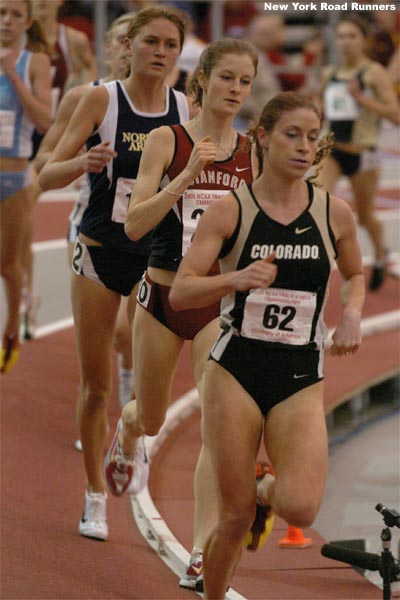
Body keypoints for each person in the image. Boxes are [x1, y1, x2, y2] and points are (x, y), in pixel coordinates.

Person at [169, 92, 366, 599]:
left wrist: (353, 317)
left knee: (300, 507)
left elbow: (356, 274)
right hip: (236, 368)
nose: (304, 147)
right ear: (263, 137)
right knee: (232, 519)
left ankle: (265, 489)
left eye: (312, 138)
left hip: (300, 371)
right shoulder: (231, 209)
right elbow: (184, 288)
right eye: (291, 135)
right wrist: (234, 281)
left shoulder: (334, 212)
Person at [103, 37, 258, 592]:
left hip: (216, 303)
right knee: (151, 417)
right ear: (203, 82)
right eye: (227, 79)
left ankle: (200, 551)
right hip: (164, 296)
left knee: (219, 431)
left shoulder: (252, 151)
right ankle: (125, 429)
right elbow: (135, 225)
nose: (236, 91)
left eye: (245, 81)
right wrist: (189, 173)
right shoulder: (166, 140)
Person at [39, 4, 190, 541]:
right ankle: (94, 497)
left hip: (157, 254)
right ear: (130, 46)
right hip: (101, 249)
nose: (159, 52)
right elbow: (44, 173)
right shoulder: (100, 100)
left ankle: (127, 443)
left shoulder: (184, 107)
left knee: (147, 380)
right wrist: (82, 163)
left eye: (170, 45)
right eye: (150, 42)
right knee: (96, 385)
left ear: (179, 52)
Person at [35, 14, 135, 451]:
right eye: (126, 41)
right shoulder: (85, 97)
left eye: (147, 42)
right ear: (111, 49)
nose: (136, 50)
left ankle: (130, 399)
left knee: (130, 334)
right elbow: (44, 161)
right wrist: (82, 162)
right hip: (90, 224)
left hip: (145, 230)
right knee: (106, 334)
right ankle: (100, 410)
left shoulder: (176, 103)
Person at [19, 0, 97, 342]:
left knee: (22, 209)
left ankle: (25, 293)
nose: (39, 5)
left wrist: (82, 124)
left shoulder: (73, 40)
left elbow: (93, 78)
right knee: (17, 217)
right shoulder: (14, 38)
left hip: (51, 138)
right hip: (17, 137)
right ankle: (24, 288)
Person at [317, 14, 399, 292]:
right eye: (341, 36)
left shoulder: (373, 73)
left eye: (352, 36)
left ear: (364, 41)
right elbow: (322, 107)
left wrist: (362, 99)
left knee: (364, 217)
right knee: (319, 202)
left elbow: (395, 114)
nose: (346, 42)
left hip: (363, 154)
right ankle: (319, 264)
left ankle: (379, 255)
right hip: (333, 150)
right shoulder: (330, 73)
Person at [0, 0, 52, 373]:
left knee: (7, 263)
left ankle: (11, 327)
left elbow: (45, 120)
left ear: (27, 21)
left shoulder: (35, 62)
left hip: (13, 177)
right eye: (1, 13)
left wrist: (13, 77)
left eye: (15, 15)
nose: (6, 21)